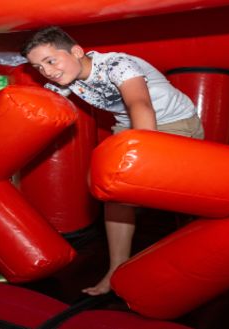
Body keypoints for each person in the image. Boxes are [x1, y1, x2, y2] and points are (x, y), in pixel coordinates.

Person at [21, 26, 204, 295]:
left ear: (76, 51)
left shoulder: (117, 64)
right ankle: (117, 268)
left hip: (174, 122)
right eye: (38, 67)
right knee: (112, 194)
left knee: (177, 193)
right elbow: (32, 106)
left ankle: (195, 256)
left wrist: (143, 153)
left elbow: (139, 104)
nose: (47, 71)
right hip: (128, 125)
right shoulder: (67, 77)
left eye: (50, 61)